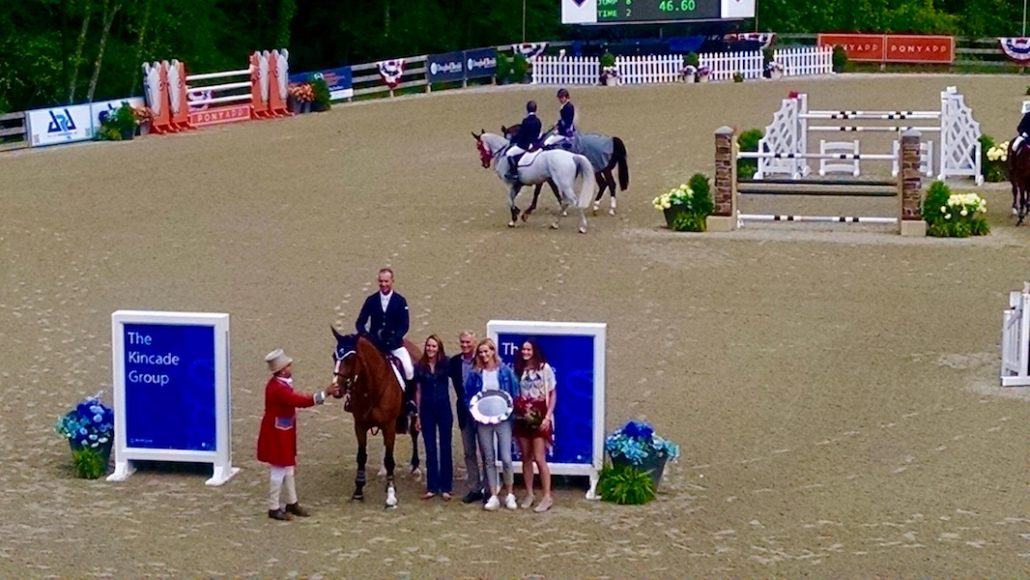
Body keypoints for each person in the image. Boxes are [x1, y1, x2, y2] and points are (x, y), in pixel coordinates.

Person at [257, 348, 338, 521]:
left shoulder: (279, 384)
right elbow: (299, 400)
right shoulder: (279, 389)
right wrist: (324, 393)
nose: (291, 366)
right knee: (279, 467)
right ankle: (273, 506)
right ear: (283, 369)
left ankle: (292, 502)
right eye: (288, 365)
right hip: (278, 432)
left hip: (283, 429)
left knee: (288, 466)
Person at [463, 338, 520, 511]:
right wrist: (475, 412)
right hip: (483, 421)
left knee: (506, 458)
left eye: (486, 351)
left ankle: (510, 493)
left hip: (503, 420)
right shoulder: (475, 374)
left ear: (493, 351)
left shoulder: (505, 372)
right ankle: (493, 494)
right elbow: (468, 396)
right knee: (488, 458)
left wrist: (511, 412)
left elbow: (514, 392)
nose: (484, 355)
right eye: (481, 352)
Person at [355, 267, 414, 412]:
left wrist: (394, 339)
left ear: (392, 281)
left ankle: (409, 403)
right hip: (375, 345)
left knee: (409, 369)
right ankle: (354, 401)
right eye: (381, 281)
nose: (383, 284)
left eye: (386, 281)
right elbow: (360, 322)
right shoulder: (371, 300)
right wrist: (368, 336)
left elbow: (404, 325)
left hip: (394, 345)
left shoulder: (400, 301)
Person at [513, 340, 557, 513]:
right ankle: (530, 493)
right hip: (523, 416)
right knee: (526, 457)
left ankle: (547, 496)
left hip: (540, 415)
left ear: (534, 350)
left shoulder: (544, 368)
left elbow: (553, 394)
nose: (525, 352)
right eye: (523, 349)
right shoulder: (518, 370)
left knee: (539, 458)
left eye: (528, 349)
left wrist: (547, 416)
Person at [447, 330, 488, 504]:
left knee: (487, 452)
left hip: (483, 413)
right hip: (464, 412)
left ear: (474, 343)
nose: (465, 345)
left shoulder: (482, 361)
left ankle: (489, 487)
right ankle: (474, 487)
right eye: (462, 342)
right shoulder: (454, 362)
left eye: (468, 343)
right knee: (469, 452)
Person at [413, 334, 454, 500]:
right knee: (430, 448)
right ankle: (432, 486)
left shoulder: (446, 364)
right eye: (428, 346)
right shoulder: (420, 366)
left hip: (444, 408)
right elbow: (418, 391)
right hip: (426, 410)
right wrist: (417, 415)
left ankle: (446, 486)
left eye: (434, 346)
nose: (430, 349)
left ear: (439, 348)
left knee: (445, 447)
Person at [504, 100, 542, 183]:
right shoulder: (538, 121)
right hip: (536, 144)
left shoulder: (526, 121)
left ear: (527, 109)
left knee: (509, 153)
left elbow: (522, 134)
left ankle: (514, 173)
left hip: (526, 145)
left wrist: (513, 139)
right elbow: (538, 133)